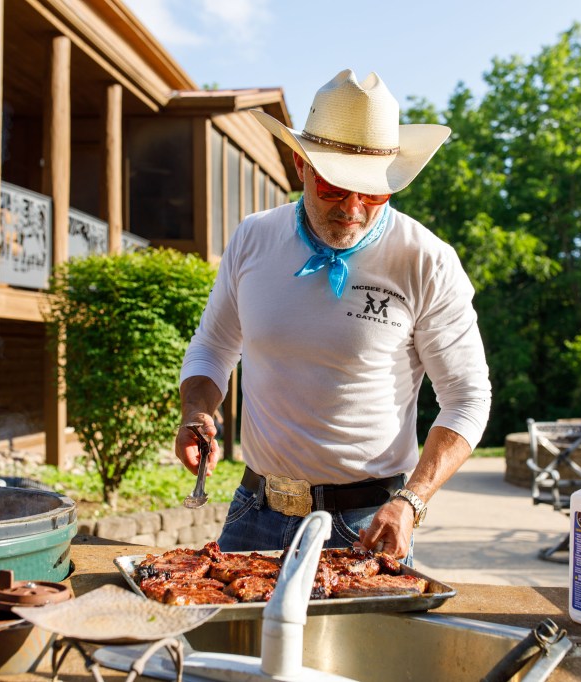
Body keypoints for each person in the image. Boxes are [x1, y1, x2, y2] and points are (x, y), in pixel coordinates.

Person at [175, 69, 491, 562]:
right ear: (300, 164)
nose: (354, 209)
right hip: (253, 509)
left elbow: (468, 399)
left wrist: (412, 500)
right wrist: (195, 410)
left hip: (368, 519)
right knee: (238, 643)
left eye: (374, 193)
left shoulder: (425, 259)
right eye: (334, 188)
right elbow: (213, 347)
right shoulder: (253, 238)